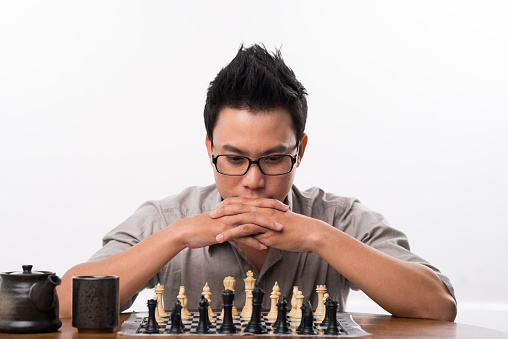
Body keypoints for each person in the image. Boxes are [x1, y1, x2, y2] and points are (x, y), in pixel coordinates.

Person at [57, 44, 457, 321]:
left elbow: (438, 306)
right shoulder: (167, 217)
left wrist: (319, 238)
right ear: (209, 148)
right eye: (233, 159)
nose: (253, 181)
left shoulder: (340, 218)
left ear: (300, 149)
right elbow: (62, 305)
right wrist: (174, 238)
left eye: (273, 159)